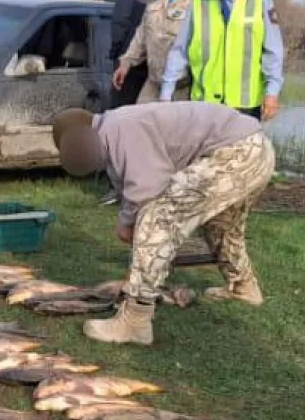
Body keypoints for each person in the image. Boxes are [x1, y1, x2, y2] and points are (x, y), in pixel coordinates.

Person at [52, 103, 275, 346]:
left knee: (157, 217)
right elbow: (127, 179)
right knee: (222, 226)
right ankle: (243, 286)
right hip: (255, 148)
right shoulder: (114, 128)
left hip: (237, 152)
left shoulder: (120, 129)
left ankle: (135, 321)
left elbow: (147, 187)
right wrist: (127, 219)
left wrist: (129, 221)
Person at [159, 0, 285, 121]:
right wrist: (166, 94)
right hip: (203, 104)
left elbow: (273, 51)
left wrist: (271, 92)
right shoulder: (198, 1)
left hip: (245, 107)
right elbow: (179, 51)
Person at [112, 0, 205, 103]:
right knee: (140, 121)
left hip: (184, 89)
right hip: (153, 84)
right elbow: (143, 31)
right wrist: (126, 62)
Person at [103, 0, 150, 109]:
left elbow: (120, 24)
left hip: (127, 61)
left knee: (121, 111)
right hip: (150, 61)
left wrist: (113, 53)